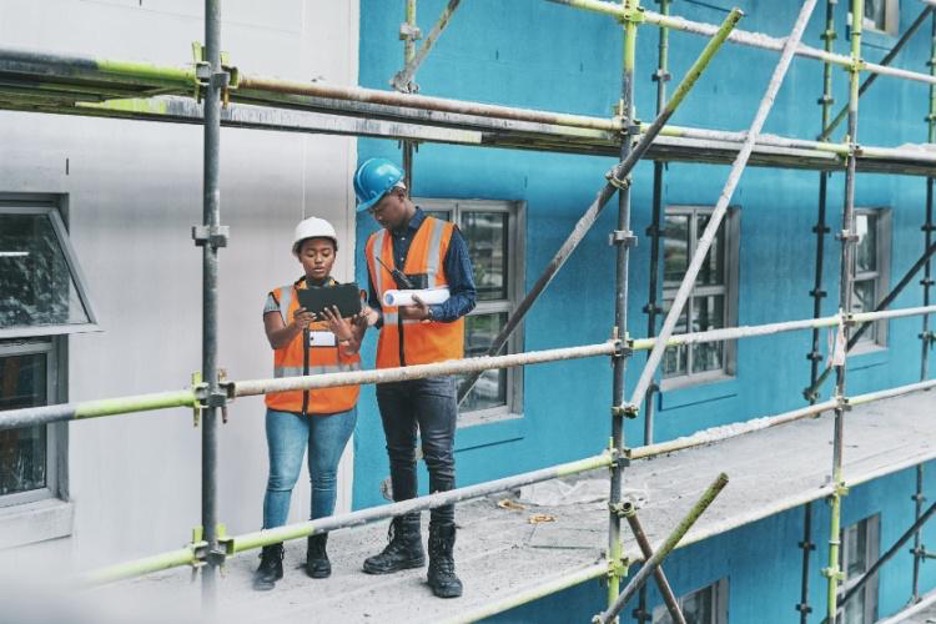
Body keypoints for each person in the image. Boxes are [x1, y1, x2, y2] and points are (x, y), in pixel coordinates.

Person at [354, 158, 477, 599]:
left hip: (434, 369)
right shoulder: (373, 245)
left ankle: (442, 558)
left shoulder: (446, 235)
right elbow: (380, 304)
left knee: (439, 460)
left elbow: (467, 297)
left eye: (380, 206)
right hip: (391, 368)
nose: (376, 216)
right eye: (370, 210)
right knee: (400, 457)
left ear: (401, 193)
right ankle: (407, 544)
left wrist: (433, 311)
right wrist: (370, 315)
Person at [253, 216, 369, 591]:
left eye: (325, 252)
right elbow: (275, 341)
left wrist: (345, 334)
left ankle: (318, 549)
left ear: (334, 255)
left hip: (336, 406)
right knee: (281, 479)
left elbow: (353, 350)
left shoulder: (352, 299)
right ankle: (271, 555)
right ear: (298, 256)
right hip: (287, 406)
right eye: (310, 253)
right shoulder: (279, 297)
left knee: (324, 478)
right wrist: (296, 325)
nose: (318, 259)